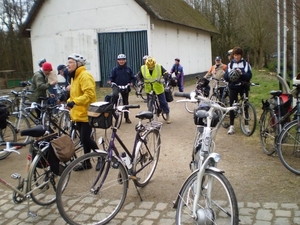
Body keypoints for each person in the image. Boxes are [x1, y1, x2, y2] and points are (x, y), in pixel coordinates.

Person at [66, 53, 99, 171]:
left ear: (78, 64)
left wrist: (74, 102)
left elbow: (89, 96)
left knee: (85, 138)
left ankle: (101, 157)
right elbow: (75, 95)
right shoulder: (74, 77)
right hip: (78, 114)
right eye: (68, 62)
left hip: (87, 113)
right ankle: (87, 162)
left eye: (70, 62)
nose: (67, 64)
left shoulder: (85, 76)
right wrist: (68, 102)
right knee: (84, 140)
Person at [224, 47, 252, 135]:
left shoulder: (245, 64)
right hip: (233, 87)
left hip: (243, 87)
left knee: (245, 105)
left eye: (238, 55)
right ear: (233, 55)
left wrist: (241, 73)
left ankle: (246, 126)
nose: (236, 57)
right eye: (235, 55)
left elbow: (249, 76)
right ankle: (231, 126)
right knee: (232, 106)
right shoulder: (230, 65)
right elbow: (225, 77)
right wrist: (231, 74)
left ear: (241, 55)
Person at [137, 56, 171, 124]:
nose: (151, 68)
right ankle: (150, 117)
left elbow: (166, 74)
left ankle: (167, 115)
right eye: (149, 67)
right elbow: (138, 76)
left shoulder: (159, 67)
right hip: (149, 88)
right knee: (149, 103)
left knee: (163, 102)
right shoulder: (143, 68)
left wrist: (163, 79)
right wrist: (139, 81)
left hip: (158, 87)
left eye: (152, 66)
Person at [107, 53, 135, 124]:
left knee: (126, 102)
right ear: (117, 61)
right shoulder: (115, 69)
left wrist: (132, 82)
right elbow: (111, 77)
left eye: (123, 60)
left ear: (125, 61)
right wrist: (110, 81)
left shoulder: (128, 69)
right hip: (116, 86)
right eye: (120, 60)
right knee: (115, 95)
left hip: (125, 86)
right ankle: (112, 110)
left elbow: (132, 77)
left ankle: (127, 117)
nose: (121, 61)